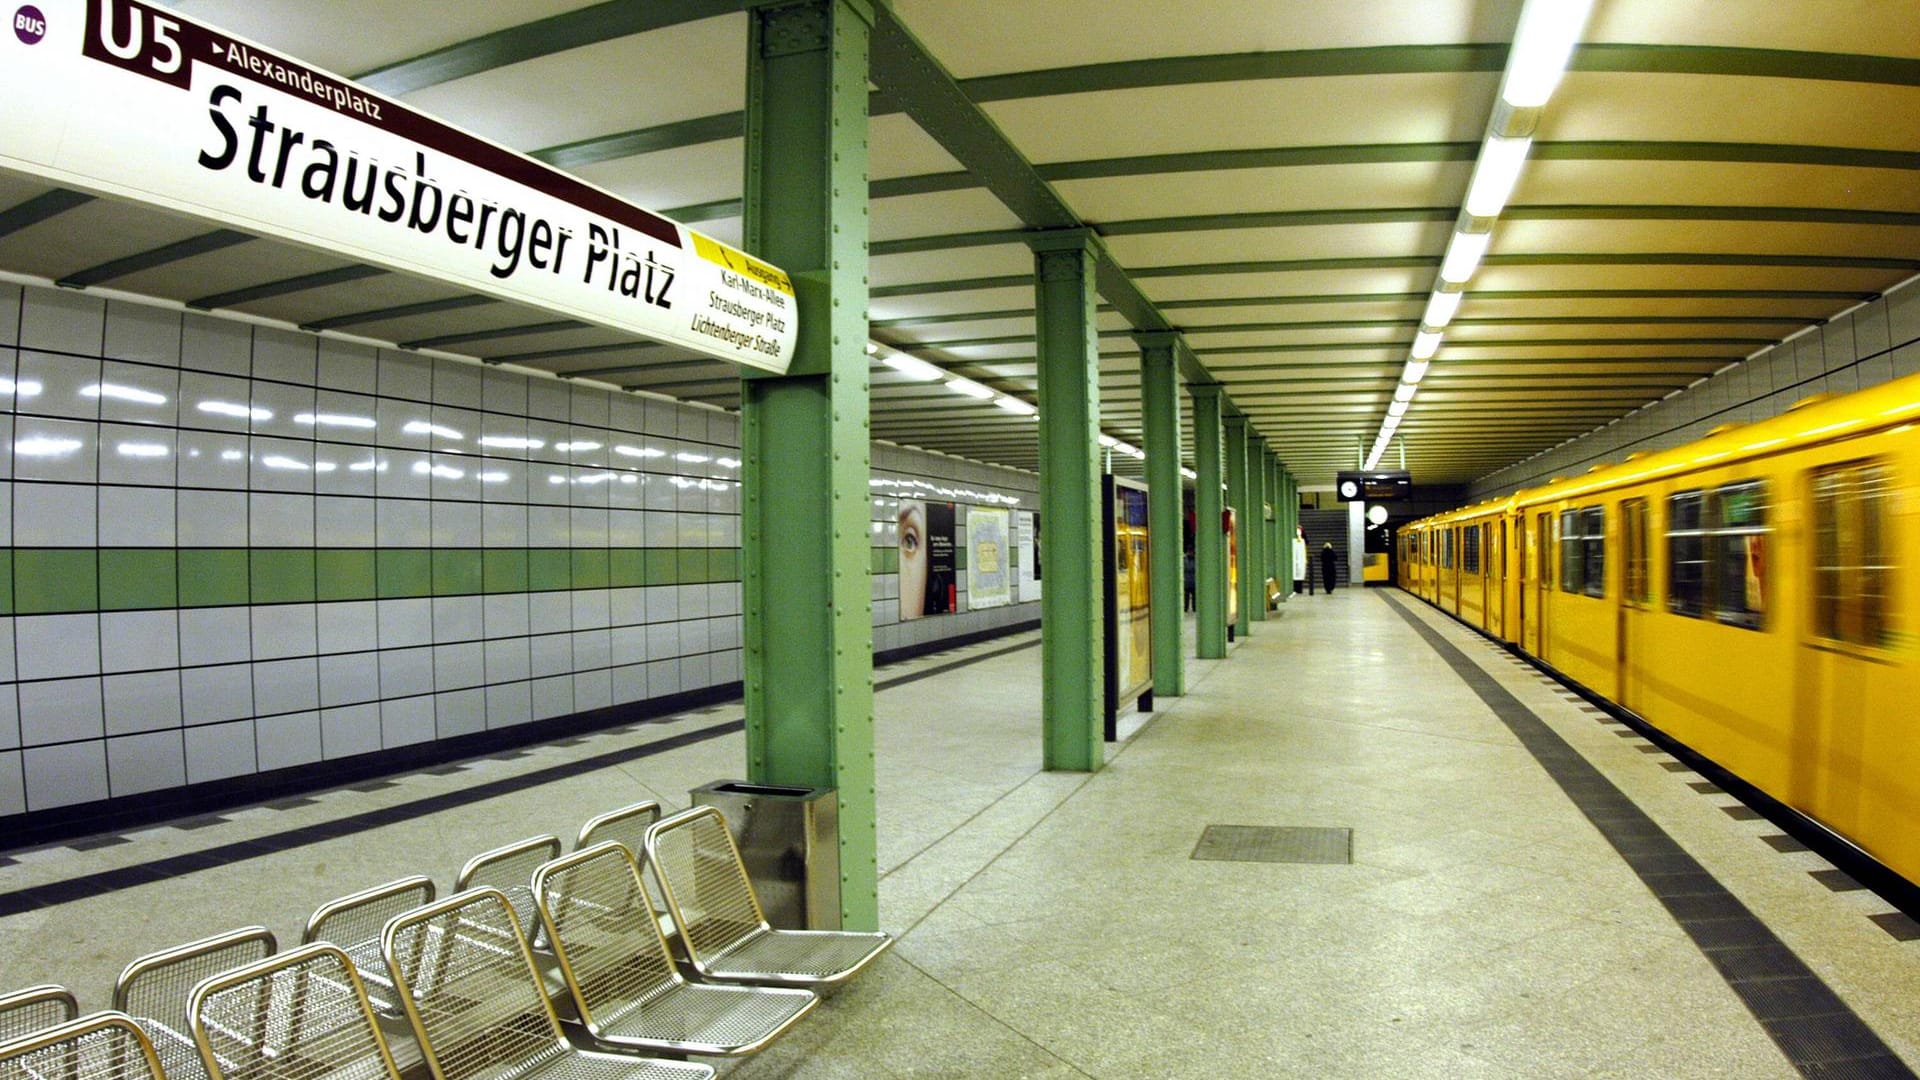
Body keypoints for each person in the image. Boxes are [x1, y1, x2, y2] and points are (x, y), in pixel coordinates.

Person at [1292, 527, 1309, 596]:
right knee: (1299, 572)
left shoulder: (1298, 541)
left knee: (1297, 572)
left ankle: (1297, 588)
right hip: (1300, 557)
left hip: (1298, 556)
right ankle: (1299, 589)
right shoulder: (1303, 540)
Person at [1183, 547, 1196, 612]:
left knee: (1194, 596)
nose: (1191, 553)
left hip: (1193, 581)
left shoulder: (1195, 559)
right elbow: (1188, 567)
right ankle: (1185, 608)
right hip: (1187, 581)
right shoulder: (1184, 559)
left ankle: (1194, 608)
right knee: (1186, 596)